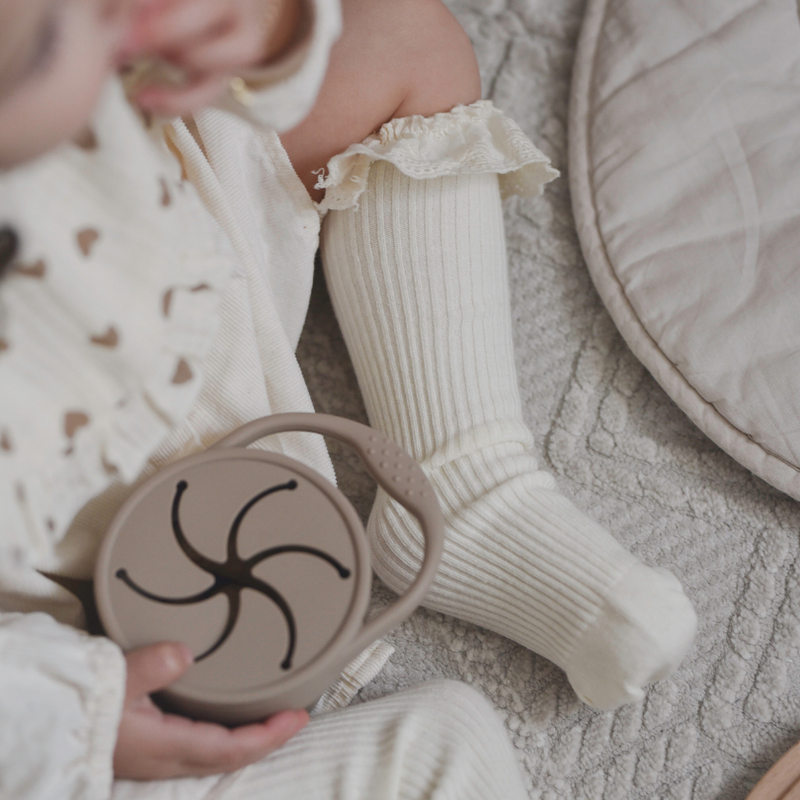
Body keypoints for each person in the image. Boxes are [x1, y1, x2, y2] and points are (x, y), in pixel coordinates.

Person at [0, 0, 697, 797]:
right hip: (69, 619)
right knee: (444, 753)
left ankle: (467, 474)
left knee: (392, 33)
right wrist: (70, 714)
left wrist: (258, 32)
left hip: (199, 269)